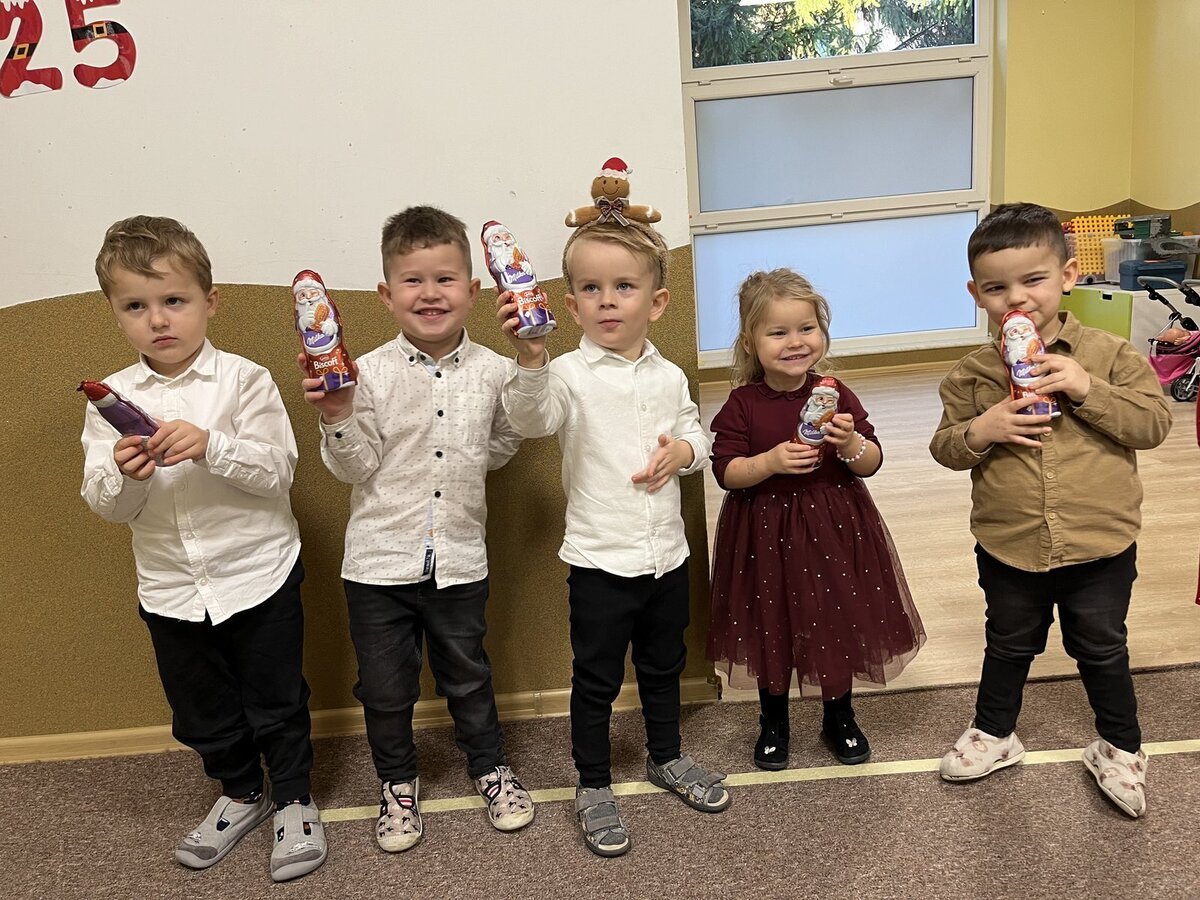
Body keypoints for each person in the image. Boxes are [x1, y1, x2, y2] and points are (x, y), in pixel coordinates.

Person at [81, 216, 326, 882]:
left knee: (277, 699)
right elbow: (107, 506)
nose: (158, 319)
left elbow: (279, 472)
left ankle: (294, 798)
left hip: (258, 573)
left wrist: (212, 446)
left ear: (209, 302)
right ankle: (241, 792)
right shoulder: (109, 400)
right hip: (170, 587)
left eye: (174, 300)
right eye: (136, 306)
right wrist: (127, 476)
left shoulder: (245, 380)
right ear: (115, 312)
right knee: (201, 710)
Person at [497, 205, 728, 858]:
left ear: (656, 302)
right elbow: (532, 420)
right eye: (591, 288)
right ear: (571, 306)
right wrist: (530, 356)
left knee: (665, 664)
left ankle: (666, 755)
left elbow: (696, 432)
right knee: (596, 679)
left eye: (623, 286)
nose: (607, 300)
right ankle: (593, 783)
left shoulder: (669, 374)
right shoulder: (566, 375)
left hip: (667, 557)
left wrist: (685, 452)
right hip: (600, 560)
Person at [302, 206, 534, 853]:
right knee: (385, 689)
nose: (430, 293)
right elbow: (354, 466)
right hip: (377, 566)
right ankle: (397, 784)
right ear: (386, 294)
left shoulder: (495, 370)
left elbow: (506, 442)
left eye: (445, 279)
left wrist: (529, 362)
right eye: (412, 280)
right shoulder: (365, 373)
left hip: (459, 559)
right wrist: (337, 413)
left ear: (473, 289)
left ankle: (490, 768)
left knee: (469, 675)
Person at [930, 202, 1172, 818]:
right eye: (996, 287)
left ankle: (1120, 746)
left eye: (1033, 280)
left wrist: (1087, 388)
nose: (1017, 297)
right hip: (1010, 542)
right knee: (1008, 642)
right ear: (976, 295)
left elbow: (1153, 425)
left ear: (1066, 275)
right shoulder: (970, 376)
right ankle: (995, 733)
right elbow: (946, 449)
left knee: (1102, 645)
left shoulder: (1110, 355)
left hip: (1100, 542)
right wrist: (982, 429)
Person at [708, 268, 925, 772]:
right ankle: (773, 721)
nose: (795, 342)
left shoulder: (836, 394)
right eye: (778, 332)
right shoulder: (743, 404)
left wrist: (850, 443)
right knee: (770, 623)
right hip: (763, 531)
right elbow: (725, 471)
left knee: (835, 619)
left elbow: (871, 462)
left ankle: (839, 715)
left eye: (806, 328)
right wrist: (769, 462)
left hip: (834, 526)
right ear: (750, 342)